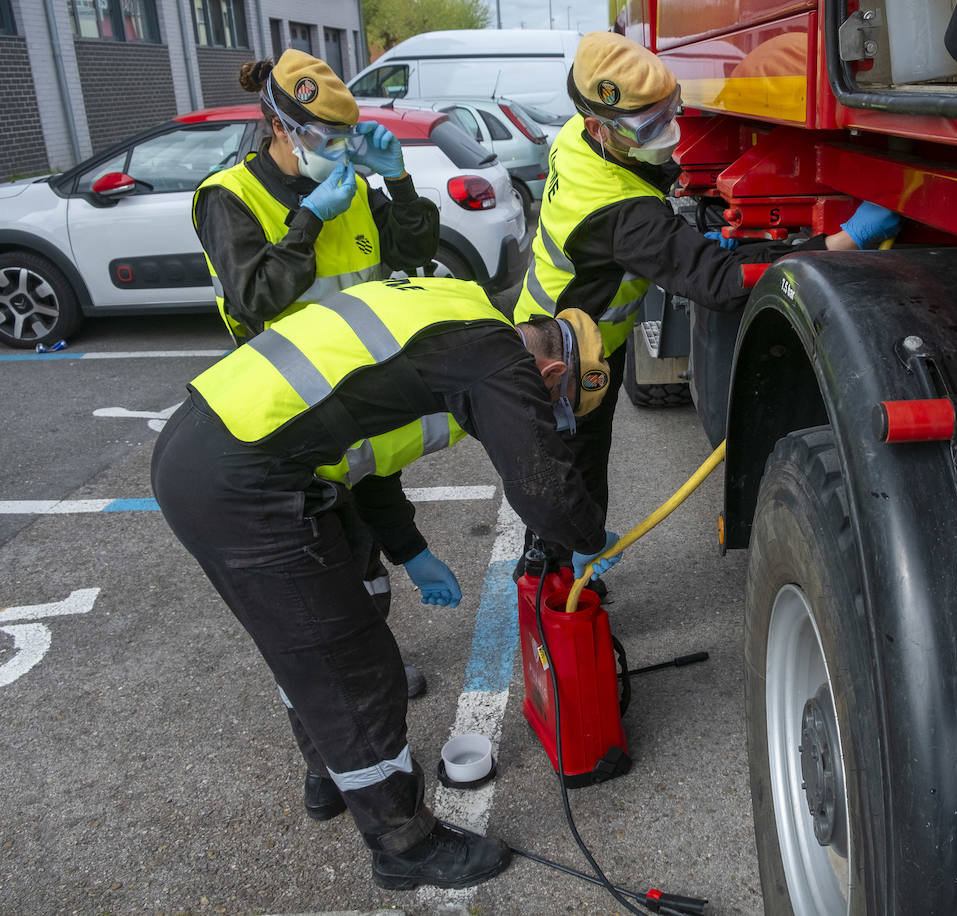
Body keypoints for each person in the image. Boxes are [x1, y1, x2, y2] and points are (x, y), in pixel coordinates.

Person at [150, 276, 622, 891]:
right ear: (552, 371)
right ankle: (405, 846)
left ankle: (329, 773)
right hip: (244, 482)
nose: (545, 419)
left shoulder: (458, 304)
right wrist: (588, 536)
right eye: (554, 406)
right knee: (353, 669)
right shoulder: (501, 361)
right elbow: (542, 485)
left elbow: (367, 449)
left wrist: (409, 549)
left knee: (320, 628)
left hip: (211, 441)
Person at [512, 30, 901, 578]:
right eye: (649, 127)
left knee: (577, 472)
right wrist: (842, 242)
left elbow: (649, 195)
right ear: (601, 126)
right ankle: (553, 587)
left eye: (670, 111)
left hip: (576, 333)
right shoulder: (618, 212)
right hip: (564, 360)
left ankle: (571, 557)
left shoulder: (579, 135)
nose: (668, 131)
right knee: (569, 479)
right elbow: (719, 283)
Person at [192, 49, 440, 701]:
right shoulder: (231, 199)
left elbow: (412, 254)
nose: (339, 148)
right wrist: (308, 221)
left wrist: (400, 182)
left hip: (356, 408)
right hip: (285, 428)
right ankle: (326, 743)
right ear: (281, 126)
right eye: (325, 137)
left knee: (364, 563)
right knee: (309, 586)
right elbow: (256, 299)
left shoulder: (353, 187)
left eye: (346, 136)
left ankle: (375, 670)